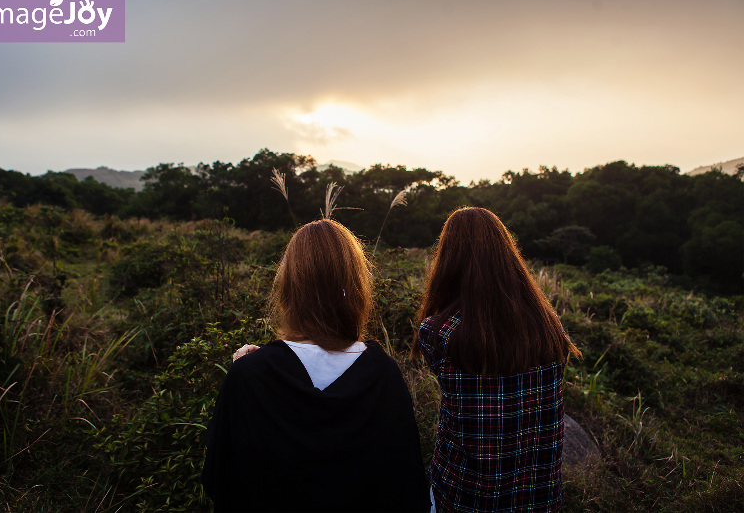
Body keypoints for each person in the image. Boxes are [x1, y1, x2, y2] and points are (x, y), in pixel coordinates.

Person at [202, 219, 430, 512]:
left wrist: (244, 375)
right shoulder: (384, 374)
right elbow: (405, 484)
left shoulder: (250, 374)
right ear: (356, 285)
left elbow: (220, 479)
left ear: (289, 286)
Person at [411, 207, 582, 513]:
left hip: (465, 497)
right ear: (507, 254)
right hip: (539, 498)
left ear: (448, 259)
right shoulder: (549, 324)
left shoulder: (438, 333)